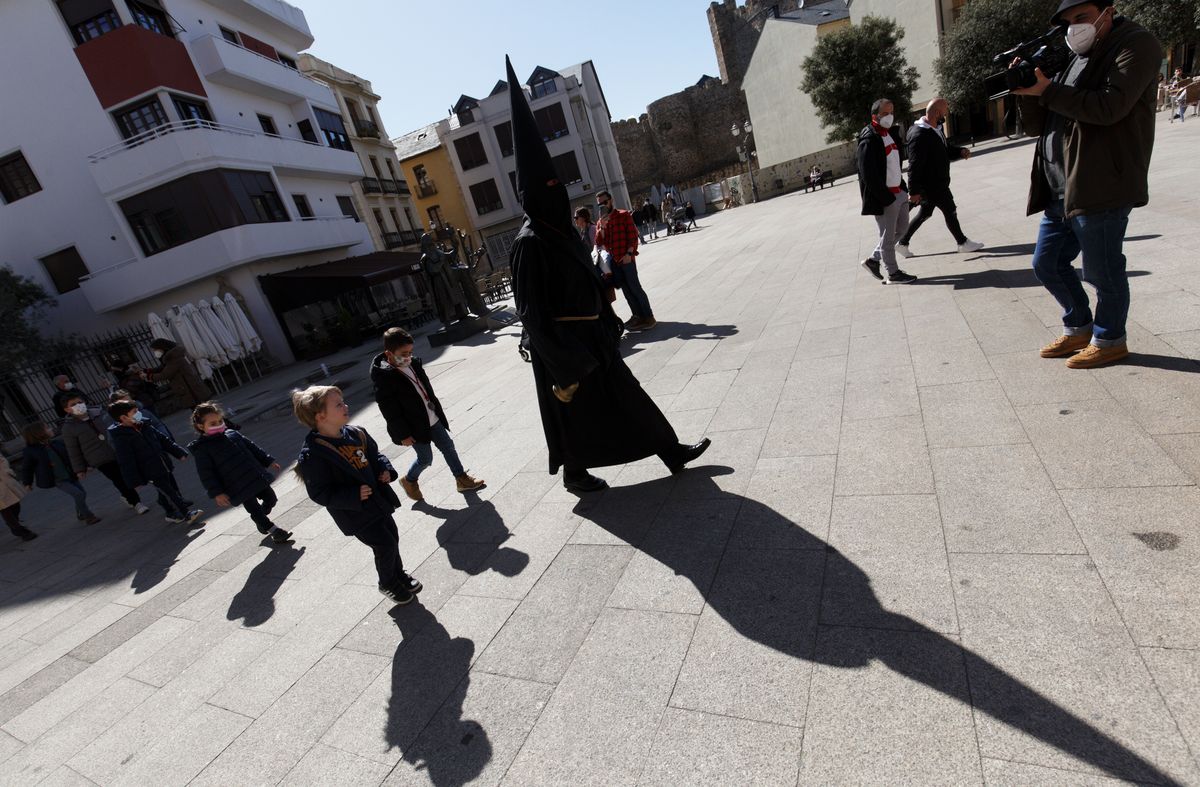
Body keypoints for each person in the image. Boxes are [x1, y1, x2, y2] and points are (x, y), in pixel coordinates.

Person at [504, 55, 710, 494]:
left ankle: (670, 452)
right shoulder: (529, 243)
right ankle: (576, 473)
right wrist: (564, 365)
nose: (558, 198)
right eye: (549, 193)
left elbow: (586, 276)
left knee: (628, 396)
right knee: (578, 414)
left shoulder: (560, 231)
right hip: (566, 351)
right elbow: (532, 314)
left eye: (559, 189)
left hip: (595, 337)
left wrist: (607, 311)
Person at [1013, 0, 1161, 368]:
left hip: (1101, 182)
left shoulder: (1135, 44)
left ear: (1107, 12)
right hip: (1062, 186)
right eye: (1067, 22)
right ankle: (1079, 326)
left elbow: (1109, 107)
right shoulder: (1075, 57)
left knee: (1103, 269)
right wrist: (1028, 90)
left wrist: (1047, 91)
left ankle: (1110, 339)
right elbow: (1039, 124)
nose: (1073, 28)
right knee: (1046, 264)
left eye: (1081, 18)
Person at [292, 385, 421, 606]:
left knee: (392, 538)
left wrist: (386, 471)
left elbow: (376, 455)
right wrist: (353, 494)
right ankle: (387, 582)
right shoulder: (313, 454)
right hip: (356, 513)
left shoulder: (356, 432)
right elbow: (319, 492)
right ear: (320, 416)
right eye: (338, 404)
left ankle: (398, 574)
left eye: (343, 401)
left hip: (378, 502)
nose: (346, 406)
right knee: (384, 545)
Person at [370, 327, 485, 502]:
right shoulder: (384, 377)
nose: (408, 356)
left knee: (448, 447)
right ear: (389, 353)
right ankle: (409, 480)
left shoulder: (413, 363)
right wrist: (403, 434)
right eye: (403, 353)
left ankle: (461, 478)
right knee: (425, 459)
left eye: (410, 352)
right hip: (414, 426)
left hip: (432, 417)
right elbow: (389, 410)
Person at [188, 401, 292, 545]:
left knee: (271, 498)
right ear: (201, 426)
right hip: (236, 485)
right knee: (254, 510)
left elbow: (252, 447)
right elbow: (206, 473)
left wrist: (268, 460)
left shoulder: (232, 434)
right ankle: (274, 530)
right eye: (212, 424)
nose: (218, 425)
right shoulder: (202, 449)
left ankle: (261, 519)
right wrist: (217, 492)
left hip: (254, 476)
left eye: (220, 421)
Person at [898, 97, 985, 257]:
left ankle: (903, 243)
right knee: (950, 210)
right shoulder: (919, 135)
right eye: (945, 110)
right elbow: (914, 166)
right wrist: (914, 191)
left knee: (925, 213)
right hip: (932, 185)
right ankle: (962, 242)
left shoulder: (936, 128)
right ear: (937, 112)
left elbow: (944, 149)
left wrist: (959, 151)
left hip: (938, 182)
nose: (946, 113)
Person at [107, 400, 203, 525]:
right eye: (134, 412)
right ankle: (186, 514)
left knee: (165, 491)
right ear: (123, 417)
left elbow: (163, 440)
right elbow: (126, 461)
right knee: (169, 492)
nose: (138, 414)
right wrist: (134, 480)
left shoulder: (144, 425)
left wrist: (178, 452)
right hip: (150, 470)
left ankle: (170, 513)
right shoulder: (122, 438)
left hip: (162, 463)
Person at [857, 98, 918, 285]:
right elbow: (868, 174)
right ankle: (893, 273)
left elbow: (893, 165)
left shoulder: (890, 133)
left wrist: (902, 188)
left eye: (891, 112)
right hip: (885, 197)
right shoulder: (869, 138)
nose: (889, 117)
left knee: (901, 229)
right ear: (874, 115)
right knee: (888, 235)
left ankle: (874, 260)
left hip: (898, 191)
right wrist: (886, 197)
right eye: (885, 113)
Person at [59, 393, 148, 515]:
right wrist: (80, 469)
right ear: (67, 409)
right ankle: (136, 502)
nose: (78, 406)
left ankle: (127, 496)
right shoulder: (68, 427)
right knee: (119, 479)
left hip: (117, 450)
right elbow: (73, 449)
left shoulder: (100, 413)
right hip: (99, 458)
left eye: (79, 402)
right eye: (73, 405)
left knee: (128, 473)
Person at [595, 190, 657, 331]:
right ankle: (637, 316)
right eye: (599, 205)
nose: (602, 206)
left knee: (635, 288)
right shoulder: (600, 222)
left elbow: (633, 235)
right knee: (627, 291)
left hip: (627, 259)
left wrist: (630, 253)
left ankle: (649, 317)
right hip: (614, 261)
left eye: (604, 202)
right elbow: (599, 242)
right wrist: (602, 228)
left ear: (611, 201)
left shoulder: (623, 215)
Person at [20, 421, 101, 525]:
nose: (51, 429)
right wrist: (27, 482)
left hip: (70, 474)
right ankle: (88, 516)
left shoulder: (56, 443)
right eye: (47, 428)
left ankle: (80, 512)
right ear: (38, 433)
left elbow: (73, 456)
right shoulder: (30, 451)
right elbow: (27, 468)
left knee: (82, 493)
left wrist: (84, 466)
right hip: (58, 479)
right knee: (78, 494)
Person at [145, 339, 211, 409]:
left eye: (155, 349)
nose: (155, 352)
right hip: (189, 388)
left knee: (204, 411)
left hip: (191, 390)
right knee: (204, 411)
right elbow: (163, 368)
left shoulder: (174, 358)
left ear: (162, 347)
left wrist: (148, 377)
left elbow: (165, 374)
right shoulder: (171, 357)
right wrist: (148, 371)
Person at [0, 453, 37, 541]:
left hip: (5, 479)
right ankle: (20, 531)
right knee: (5, 508)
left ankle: (13, 524)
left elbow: (2, 459)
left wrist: (7, 470)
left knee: (15, 504)